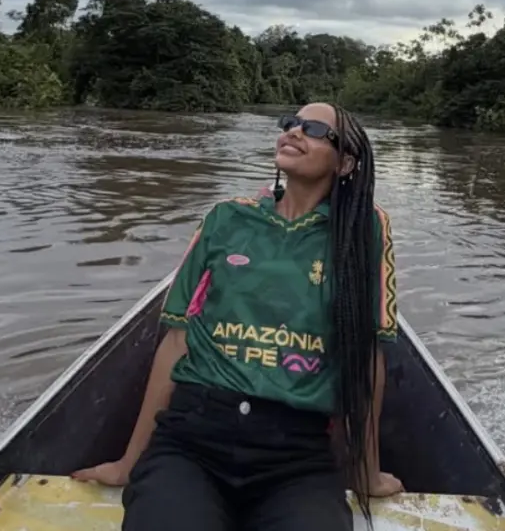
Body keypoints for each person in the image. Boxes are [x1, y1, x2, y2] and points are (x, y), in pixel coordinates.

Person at [71, 102, 404, 531]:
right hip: (193, 440)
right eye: (291, 123)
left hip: (296, 456)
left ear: (346, 163)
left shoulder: (365, 230)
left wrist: (365, 471)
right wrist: (128, 463)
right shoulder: (227, 218)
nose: (295, 131)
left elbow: (366, 356)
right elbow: (176, 341)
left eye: (315, 128)